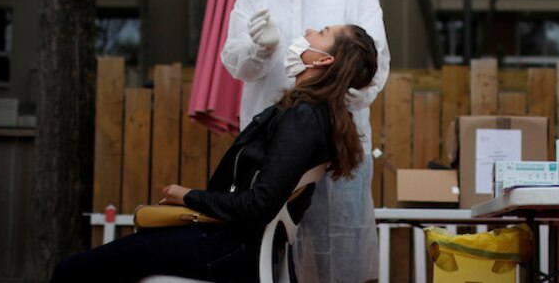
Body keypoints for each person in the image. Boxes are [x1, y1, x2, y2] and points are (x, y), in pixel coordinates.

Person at [52, 25, 379, 283]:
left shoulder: (305, 117)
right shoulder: (309, 114)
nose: (308, 32)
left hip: (228, 248)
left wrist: (188, 196)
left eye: (321, 33)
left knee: (72, 271)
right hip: (228, 242)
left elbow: (258, 206)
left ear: (323, 60)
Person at [220, 0, 390, 282]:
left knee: (339, 247)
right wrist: (260, 51)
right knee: (268, 249)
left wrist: (349, 94)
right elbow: (234, 62)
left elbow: (373, 61)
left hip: (336, 144)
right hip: (270, 145)